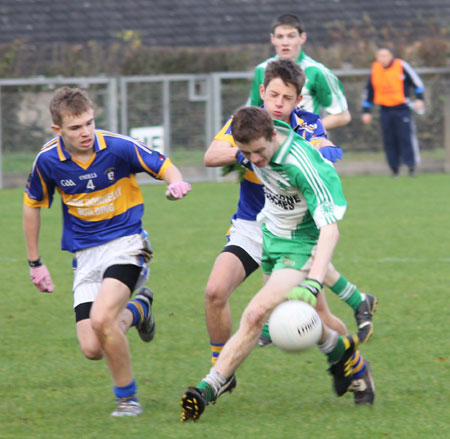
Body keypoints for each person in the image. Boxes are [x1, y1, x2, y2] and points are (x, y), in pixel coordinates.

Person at [181, 107, 375, 422]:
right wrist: (242, 153)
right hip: (269, 235)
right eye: (247, 153)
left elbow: (330, 229)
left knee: (257, 314)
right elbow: (220, 154)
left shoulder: (302, 164)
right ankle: (345, 357)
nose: (255, 159)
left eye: (259, 152)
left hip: (299, 246)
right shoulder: (256, 143)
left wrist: (313, 280)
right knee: (312, 318)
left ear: (273, 135)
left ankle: (207, 389)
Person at [23, 87, 191, 417]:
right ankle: (139, 310)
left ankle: (127, 399)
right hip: (85, 256)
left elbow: (163, 164)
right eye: (75, 128)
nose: (85, 132)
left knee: (102, 320)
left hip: (127, 245)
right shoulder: (47, 161)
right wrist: (35, 263)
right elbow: (32, 205)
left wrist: (175, 182)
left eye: (89, 123)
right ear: (58, 130)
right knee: (92, 347)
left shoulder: (116, 146)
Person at [204, 59, 375, 372]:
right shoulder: (246, 121)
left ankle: (352, 364)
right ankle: (221, 368)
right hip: (250, 225)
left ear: (299, 100)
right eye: (273, 96)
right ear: (262, 92)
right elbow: (210, 156)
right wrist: (248, 154)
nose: (278, 104)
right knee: (215, 291)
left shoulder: (308, 124)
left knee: (318, 316)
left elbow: (322, 147)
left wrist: (322, 149)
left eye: (286, 98)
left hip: (293, 232)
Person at [248, 13, 351, 130]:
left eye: (291, 36)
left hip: (303, 143)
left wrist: (306, 131)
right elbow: (252, 112)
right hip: (270, 143)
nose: (285, 42)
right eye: (280, 36)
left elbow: (342, 116)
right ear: (273, 39)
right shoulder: (262, 70)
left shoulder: (318, 71)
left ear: (302, 38)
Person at [361, 47, 425, 177]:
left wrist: (419, 99)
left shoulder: (401, 66)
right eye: (380, 56)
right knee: (389, 140)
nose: (382, 58)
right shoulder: (375, 70)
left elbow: (417, 83)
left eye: (385, 55)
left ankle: (411, 166)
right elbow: (369, 92)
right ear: (376, 57)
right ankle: (394, 168)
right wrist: (366, 111)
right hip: (385, 110)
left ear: (391, 56)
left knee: (405, 138)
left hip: (402, 109)